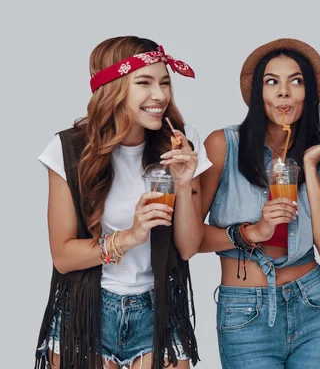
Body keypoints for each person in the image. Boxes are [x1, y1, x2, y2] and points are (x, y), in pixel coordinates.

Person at [35, 36, 211, 368]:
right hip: (86, 311)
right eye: (144, 82)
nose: (160, 95)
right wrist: (130, 236)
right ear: (112, 88)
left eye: (164, 82)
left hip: (159, 310)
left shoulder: (182, 143)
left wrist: (184, 182)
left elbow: (188, 248)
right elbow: (63, 256)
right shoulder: (69, 150)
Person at [198, 38, 320, 368]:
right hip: (246, 310)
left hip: (312, 304)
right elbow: (187, 238)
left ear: (308, 92)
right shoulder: (223, 146)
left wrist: (310, 166)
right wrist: (251, 232)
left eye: (296, 81)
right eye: (272, 82)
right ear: (258, 93)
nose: (284, 92)